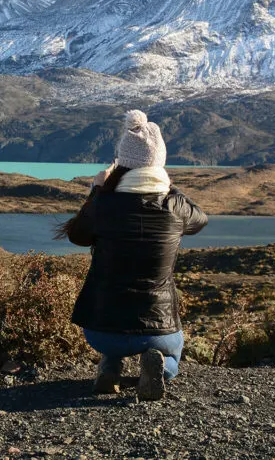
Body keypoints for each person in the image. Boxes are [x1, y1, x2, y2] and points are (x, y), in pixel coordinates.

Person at [60, 109, 208, 400]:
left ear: (121, 164)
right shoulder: (174, 207)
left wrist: (97, 190)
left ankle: (109, 366)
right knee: (173, 352)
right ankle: (159, 369)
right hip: (158, 327)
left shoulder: (105, 205)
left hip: (102, 327)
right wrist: (168, 184)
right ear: (159, 165)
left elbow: (77, 236)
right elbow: (200, 218)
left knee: (113, 343)